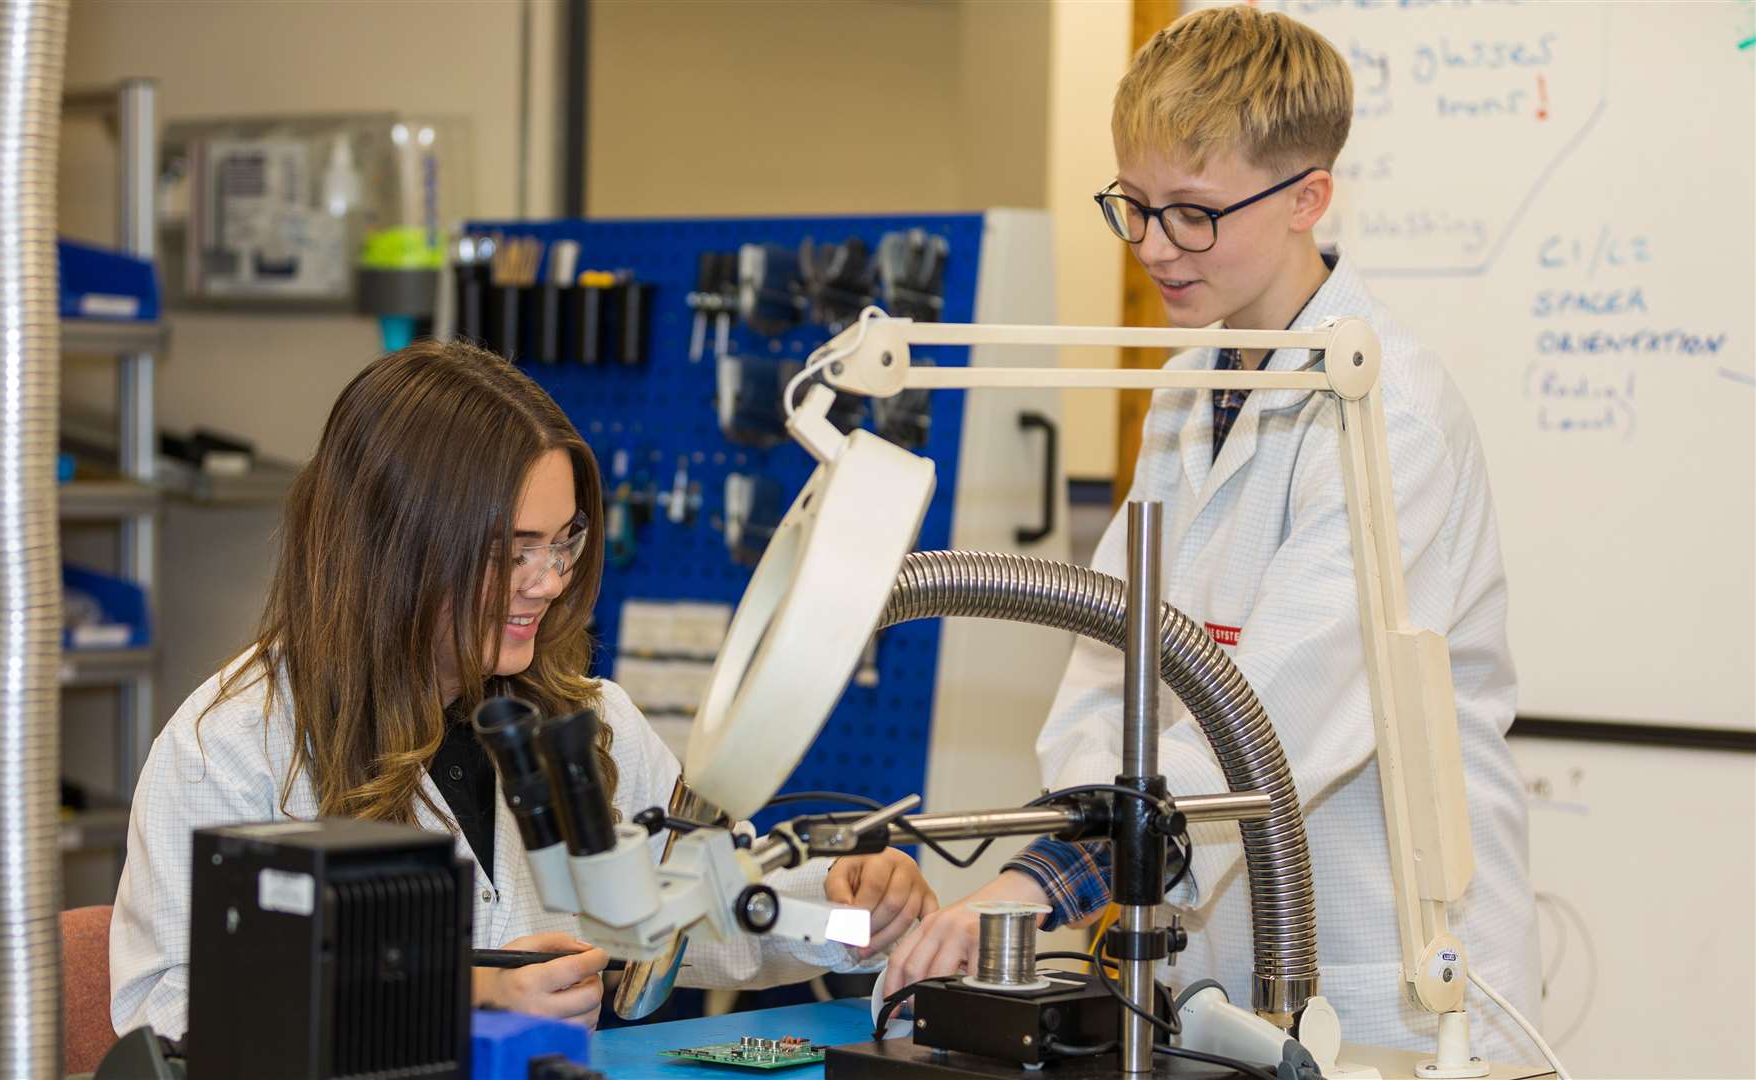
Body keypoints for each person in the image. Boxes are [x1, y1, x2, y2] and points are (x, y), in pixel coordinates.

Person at [883, 5, 1541, 1061]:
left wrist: (1038, 884)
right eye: (1133, 207)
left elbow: (1271, 715)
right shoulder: (1194, 380)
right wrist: (1063, 850)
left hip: (1385, 980)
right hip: (1213, 964)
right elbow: (1111, 661)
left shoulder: (1388, 413)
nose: (1151, 246)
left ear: (1306, 198)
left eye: (1191, 213)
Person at [111, 341, 936, 1039]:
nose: (545, 583)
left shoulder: (585, 719)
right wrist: (459, 1001)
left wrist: (842, 910)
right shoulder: (233, 746)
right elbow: (165, 1018)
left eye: (564, 542)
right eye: (511, 551)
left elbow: (704, 921)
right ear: (393, 546)